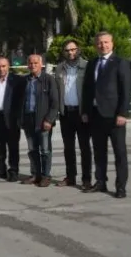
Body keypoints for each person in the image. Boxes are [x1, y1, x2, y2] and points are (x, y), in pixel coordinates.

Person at [82, 31, 131, 198]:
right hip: (96, 115)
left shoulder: (120, 63)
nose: (102, 45)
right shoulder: (92, 63)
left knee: (119, 153)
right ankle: (101, 181)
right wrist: (85, 111)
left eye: (106, 42)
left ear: (112, 44)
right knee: (99, 152)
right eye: (99, 43)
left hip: (114, 116)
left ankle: (121, 187)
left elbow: (126, 90)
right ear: (96, 45)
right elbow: (87, 90)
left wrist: (122, 113)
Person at [54, 39, 91, 189]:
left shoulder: (86, 67)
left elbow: (90, 92)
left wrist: (87, 111)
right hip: (66, 114)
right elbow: (56, 91)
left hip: (82, 114)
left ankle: (86, 179)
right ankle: (70, 177)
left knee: (84, 148)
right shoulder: (59, 69)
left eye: (73, 49)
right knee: (68, 148)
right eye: (67, 50)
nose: (70, 53)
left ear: (78, 50)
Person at [18, 54, 59, 187]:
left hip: (43, 121)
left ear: (41, 64)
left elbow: (55, 102)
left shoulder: (48, 79)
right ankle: (35, 174)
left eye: (35, 63)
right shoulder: (25, 80)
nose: (33, 65)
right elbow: (20, 102)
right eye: (30, 63)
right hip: (28, 120)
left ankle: (46, 176)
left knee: (45, 150)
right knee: (32, 149)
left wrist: (49, 119)